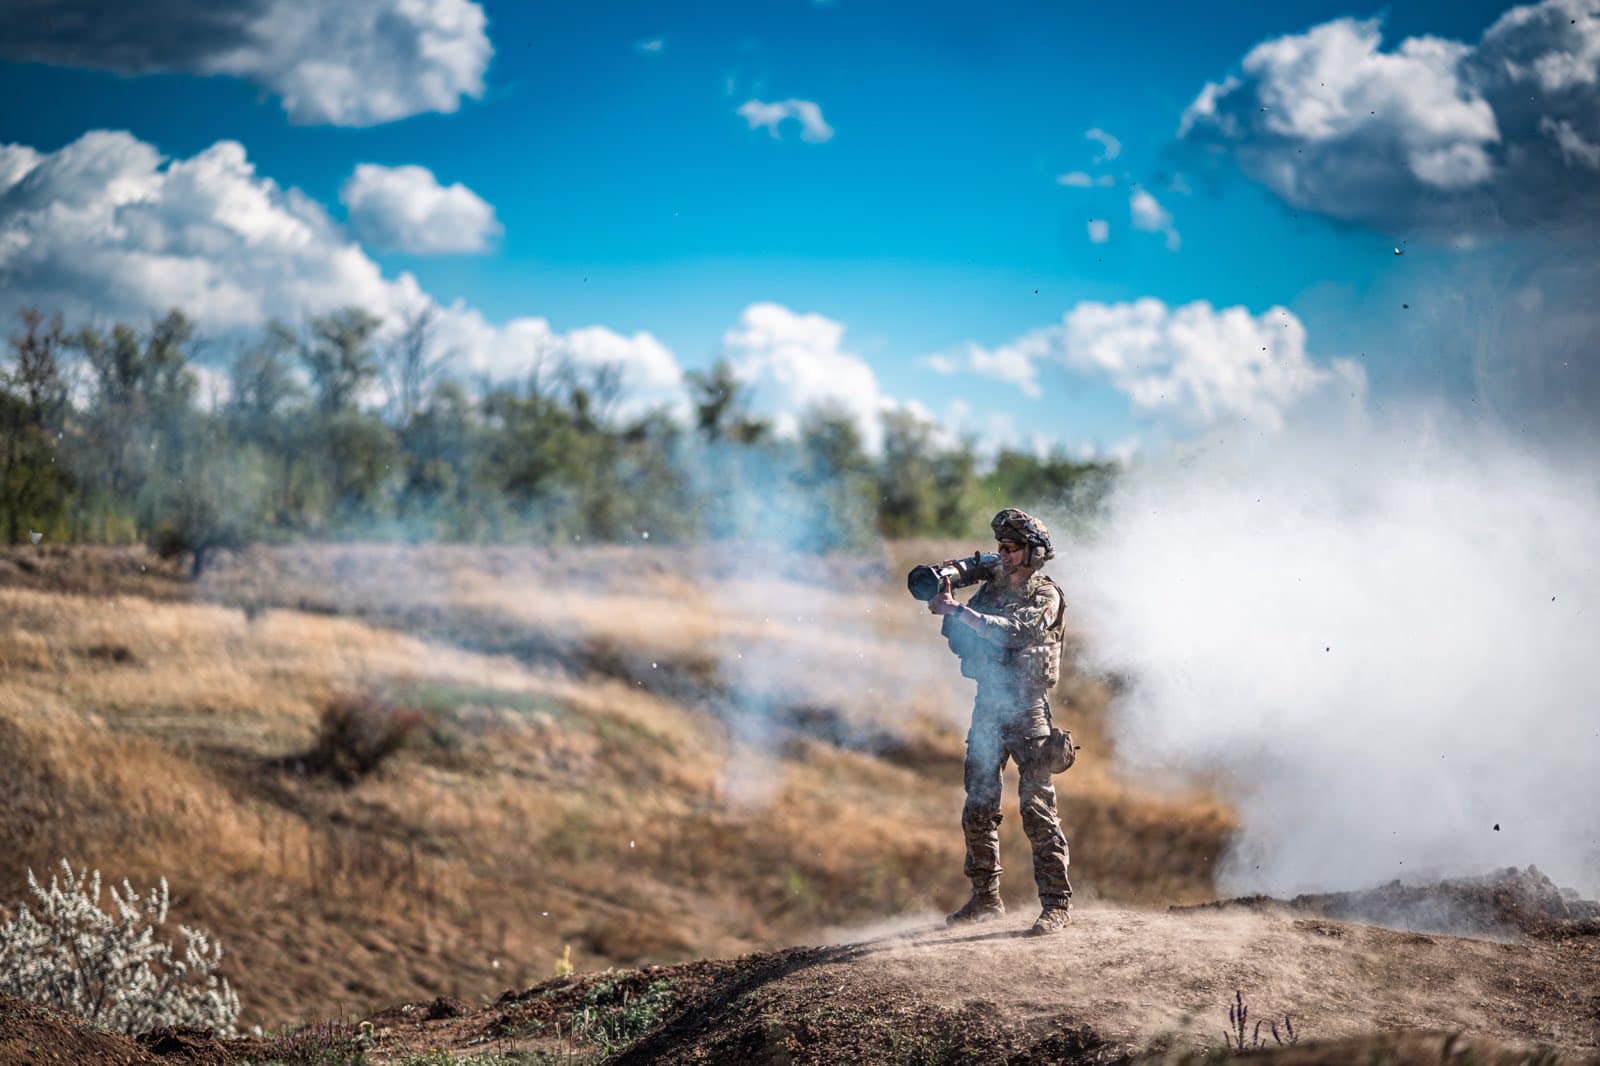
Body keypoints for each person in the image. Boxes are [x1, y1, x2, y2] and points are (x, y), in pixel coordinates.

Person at [926, 508, 1074, 936]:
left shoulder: (1046, 595)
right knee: (979, 806)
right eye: (1000, 548)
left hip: (1028, 710)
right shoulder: (989, 592)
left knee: (1037, 808)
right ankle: (985, 899)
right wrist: (952, 615)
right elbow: (961, 639)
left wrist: (963, 614)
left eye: (1011, 548)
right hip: (988, 706)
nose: (1002, 555)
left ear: (1033, 553)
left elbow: (1018, 631)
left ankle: (1056, 904)